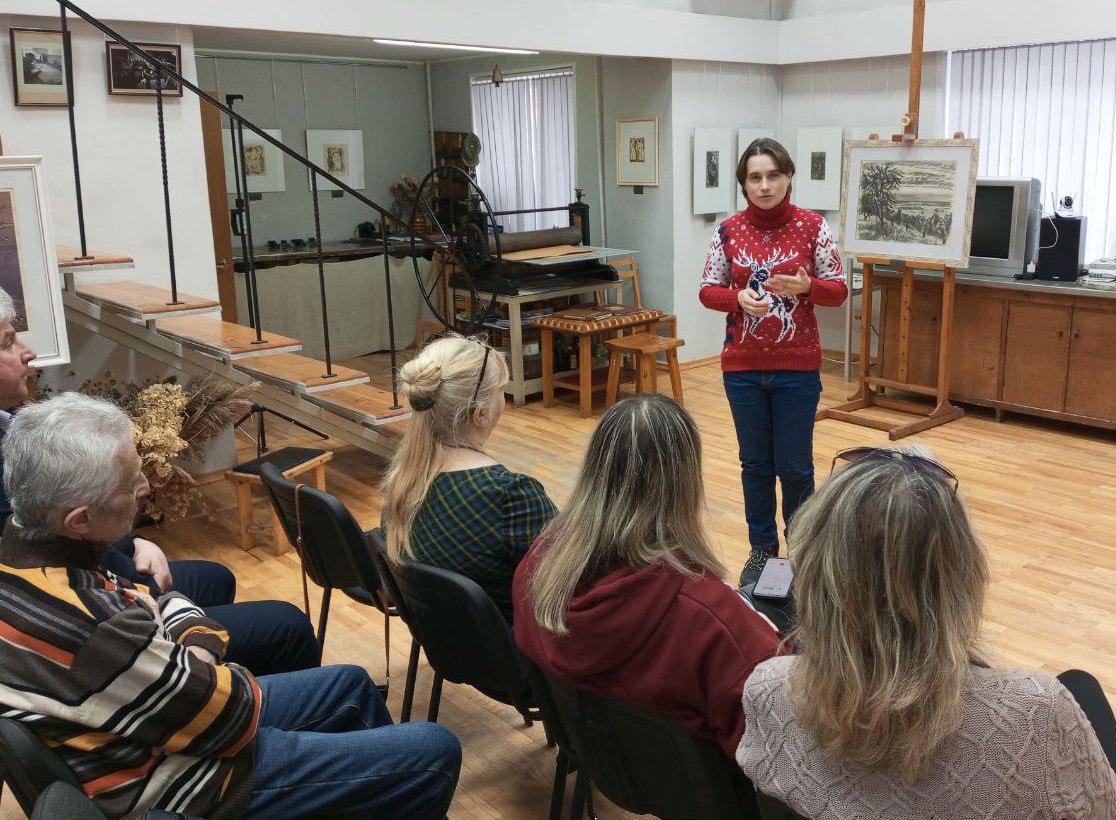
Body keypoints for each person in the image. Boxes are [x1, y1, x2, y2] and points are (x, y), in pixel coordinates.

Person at [0, 393, 461, 818]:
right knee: (434, 750)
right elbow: (231, 712)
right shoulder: (91, 625)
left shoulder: (26, 553)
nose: (144, 485)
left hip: (154, 733)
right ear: (79, 520)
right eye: (129, 479)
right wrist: (197, 642)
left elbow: (152, 601)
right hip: (182, 784)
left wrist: (181, 638)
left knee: (353, 685)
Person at [737, 446, 1116, 819]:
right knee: (1082, 685)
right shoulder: (1038, 717)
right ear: (963, 576)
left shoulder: (766, 692)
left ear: (811, 575)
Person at [0, 288, 319, 676]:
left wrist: (133, 540)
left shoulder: (12, 424)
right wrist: (159, 613)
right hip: (84, 593)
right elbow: (56, 542)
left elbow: (64, 521)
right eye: (8, 341)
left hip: (87, 567)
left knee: (217, 578)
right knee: (287, 625)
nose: (28, 351)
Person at [514, 394, 784, 758]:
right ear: (686, 482)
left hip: (605, 762)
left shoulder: (536, 569)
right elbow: (776, 738)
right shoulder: (709, 621)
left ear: (595, 468)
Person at [699, 137, 847, 588]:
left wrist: (807, 289)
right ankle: (762, 551)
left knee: (797, 466)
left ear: (788, 177)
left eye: (773, 176)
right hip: (741, 368)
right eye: (755, 178)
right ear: (744, 184)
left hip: (797, 368)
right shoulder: (726, 231)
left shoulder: (814, 227)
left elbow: (839, 290)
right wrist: (736, 298)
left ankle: (802, 552)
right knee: (755, 465)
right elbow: (708, 290)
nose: (765, 186)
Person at [380, 334, 556, 621]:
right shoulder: (509, 495)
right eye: (501, 390)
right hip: (514, 650)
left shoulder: (402, 480)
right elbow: (569, 577)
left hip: (448, 644)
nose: (504, 399)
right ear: (481, 414)